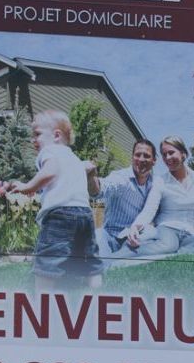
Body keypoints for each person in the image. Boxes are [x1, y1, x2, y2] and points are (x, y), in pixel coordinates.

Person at [14, 109, 102, 289]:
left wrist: (28, 186)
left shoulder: (49, 152)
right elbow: (83, 170)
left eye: (37, 134)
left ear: (56, 135)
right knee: (88, 257)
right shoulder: (73, 157)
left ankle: (42, 298)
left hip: (60, 214)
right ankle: (96, 290)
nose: (33, 140)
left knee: (49, 257)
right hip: (85, 213)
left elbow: (51, 172)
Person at [124, 135, 194, 257]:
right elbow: (149, 209)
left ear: (183, 153)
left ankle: (178, 254)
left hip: (189, 233)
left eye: (171, 152)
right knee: (169, 245)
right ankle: (121, 255)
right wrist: (135, 226)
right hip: (167, 229)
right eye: (164, 154)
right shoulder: (160, 181)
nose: (167, 158)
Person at [88, 137, 156, 253]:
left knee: (151, 231)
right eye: (137, 155)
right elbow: (101, 190)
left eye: (146, 156)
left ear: (154, 160)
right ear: (132, 157)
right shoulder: (121, 178)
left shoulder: (154, 185)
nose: (141, 159)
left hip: (133, 238)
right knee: (97, 235)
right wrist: (91, 177)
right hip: (109, 236)